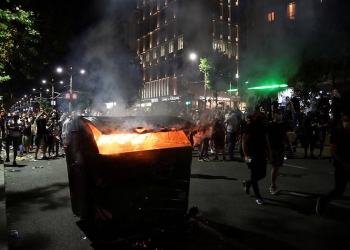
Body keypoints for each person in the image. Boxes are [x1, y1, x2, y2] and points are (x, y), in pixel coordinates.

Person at [316, 111, 350, 215]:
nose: (347, 123)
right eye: (345, 120)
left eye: (348, 120)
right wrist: (344, 163)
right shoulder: (337, 133)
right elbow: (333, 151)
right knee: (338, 191)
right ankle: (323, 200)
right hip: (341, 166)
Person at [242, 109, 270, 205]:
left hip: (261, 153)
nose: (260, 115)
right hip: (251, 154)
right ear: (253, 116)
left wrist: (269, 151)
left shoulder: (262, 126)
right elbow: (244, 142)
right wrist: (246, 156)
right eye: (258, 114)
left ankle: (248, 183)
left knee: (263, 174)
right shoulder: (249, 126)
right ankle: (258, 196)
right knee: (254, 175)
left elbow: (266, 139)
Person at [267, 109, 293, 195]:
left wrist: (290, 148)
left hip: (281, 148)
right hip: (273, 148)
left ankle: (273, 184)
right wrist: (268, 148)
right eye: (278, 114)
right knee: (276, 166)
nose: (280, 115)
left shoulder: (282, 124)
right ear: (274, 115)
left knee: (278, 166)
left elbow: (286, 136)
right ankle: (272, 185)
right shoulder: (270, 125)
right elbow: (266, 137)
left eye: (281, 114)